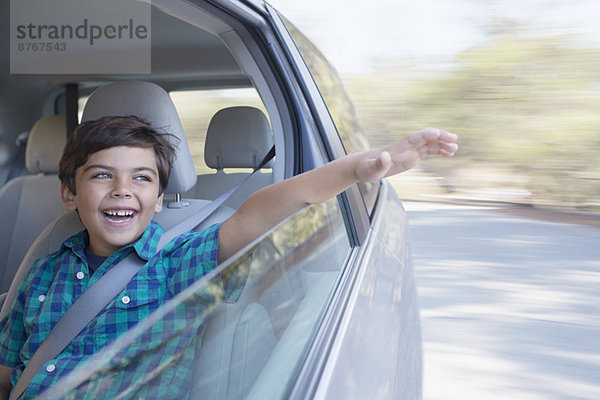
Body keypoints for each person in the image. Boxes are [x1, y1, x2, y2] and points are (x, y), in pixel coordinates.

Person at [0, 116, 458, 399]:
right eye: (102, 175)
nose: (123, 189)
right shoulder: (43, 270)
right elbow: (7, 370)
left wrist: (358, 170)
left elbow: (255, 216)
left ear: (159, 199)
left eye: (141, 178)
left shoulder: (176, 263)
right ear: (68, 193)